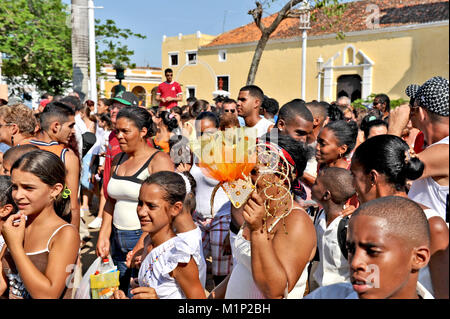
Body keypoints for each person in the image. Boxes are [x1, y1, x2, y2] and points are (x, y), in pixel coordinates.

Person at [211, 134, 317, 299]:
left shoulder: (296, 221)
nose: (245, 179)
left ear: (281, 177)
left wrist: (257, 230)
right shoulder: (260, 209)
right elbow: (243, 268)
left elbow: (275, 292)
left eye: (252, 172)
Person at [349, 134, 449, 298]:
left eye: (354, 175)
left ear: (372, 177)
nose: (353, 185)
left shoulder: (431, 225)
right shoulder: (361, 221)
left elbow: (444, 292)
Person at [96, 106, 174, 294]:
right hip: (116, 239)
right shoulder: (118, 159)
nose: (119, 136)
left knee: (138, 292)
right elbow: (110, 200)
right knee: (116, 292)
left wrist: (143, 242)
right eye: (117, 131)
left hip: (144, 240)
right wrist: (104, 234)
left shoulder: (159, 161)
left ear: (143, 132)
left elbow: (166, 208)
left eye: (125, 131)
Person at [304, 196, 433, 299]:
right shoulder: (328, 295)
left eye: (373, 251)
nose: (355, 263)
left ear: (418, 258)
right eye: (350, 249)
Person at [113, 171, 206, 299]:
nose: (141, 212)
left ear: (176, 208)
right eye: (140, 203)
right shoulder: (148, 242)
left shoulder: (179, 257)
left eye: (151, 206)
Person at [0, 150, 80, 299]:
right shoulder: (17, 226)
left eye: (28, 188)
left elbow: (48, 295)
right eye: (15, 187)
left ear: (55, 190)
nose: (17, 195)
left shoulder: (64, 233)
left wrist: (16, 247)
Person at [389, 76, 449, 222]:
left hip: (436, 242)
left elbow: (385, 167)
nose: (410, 113)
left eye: (412, 108)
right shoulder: (439, 149)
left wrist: (395, 127)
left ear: (422, 113)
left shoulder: (444, 151)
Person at [22, 102, 81, 231]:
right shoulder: (67, 156)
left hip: (19, 224)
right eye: (70, 126)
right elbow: (72, 205)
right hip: (52, 228)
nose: (73, 131)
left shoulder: (20, 147)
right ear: (56, 126)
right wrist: (74, 239)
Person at [190, 111, 233, 287]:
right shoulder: (194, 153)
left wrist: (234, 230)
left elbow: (241, 193)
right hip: (197, 220)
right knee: (193, 266)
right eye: (200, 133)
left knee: (220, 274)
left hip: (222, 220)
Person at [310, 167, 356, 289]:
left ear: (326, 195)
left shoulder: (349, 226)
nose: (312, 186)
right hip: (319, 290)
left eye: (315, 183)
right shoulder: (320, 216)